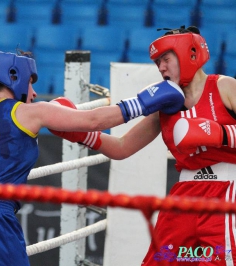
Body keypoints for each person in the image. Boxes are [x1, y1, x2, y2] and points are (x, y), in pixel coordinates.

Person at [0, 49, 185, 266]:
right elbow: (94, 120)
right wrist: (146, 100)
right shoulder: (28, 111)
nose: (34, 92)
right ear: (14, 77)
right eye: (30, 83)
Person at [51, 25, 236, 265]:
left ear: (189, 53)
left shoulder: (225, 87)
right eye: (157, 62)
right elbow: (122, 146)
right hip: (184, 196)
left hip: (227, 192)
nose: (161, 68)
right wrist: (80, 135)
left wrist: (221, 134)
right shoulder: (166, 105)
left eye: (166, 59)